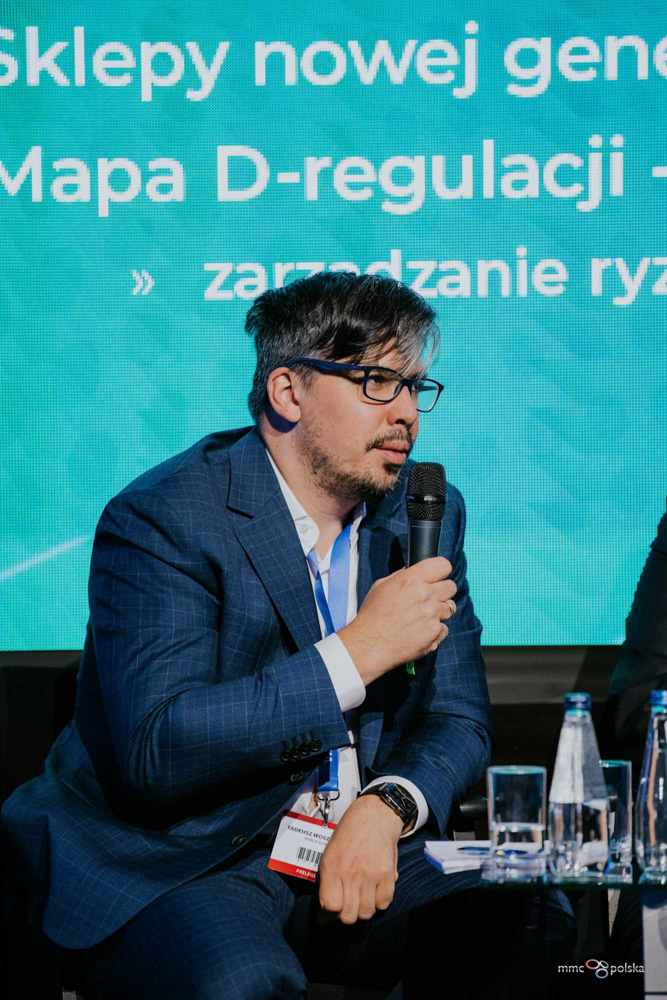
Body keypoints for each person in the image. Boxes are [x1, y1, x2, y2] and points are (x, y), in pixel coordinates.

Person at [1, 272, 575, 998]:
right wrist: (359, 651)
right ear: (288, 392)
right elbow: (157, 746)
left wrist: (388, 806)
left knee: (531, 918)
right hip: (191, 853)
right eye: (376, 382)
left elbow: (458, 716)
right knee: (242, 983)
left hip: (364, 841)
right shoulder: (166, 516)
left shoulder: (424, 512)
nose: (406, 413)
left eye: (413, 387)